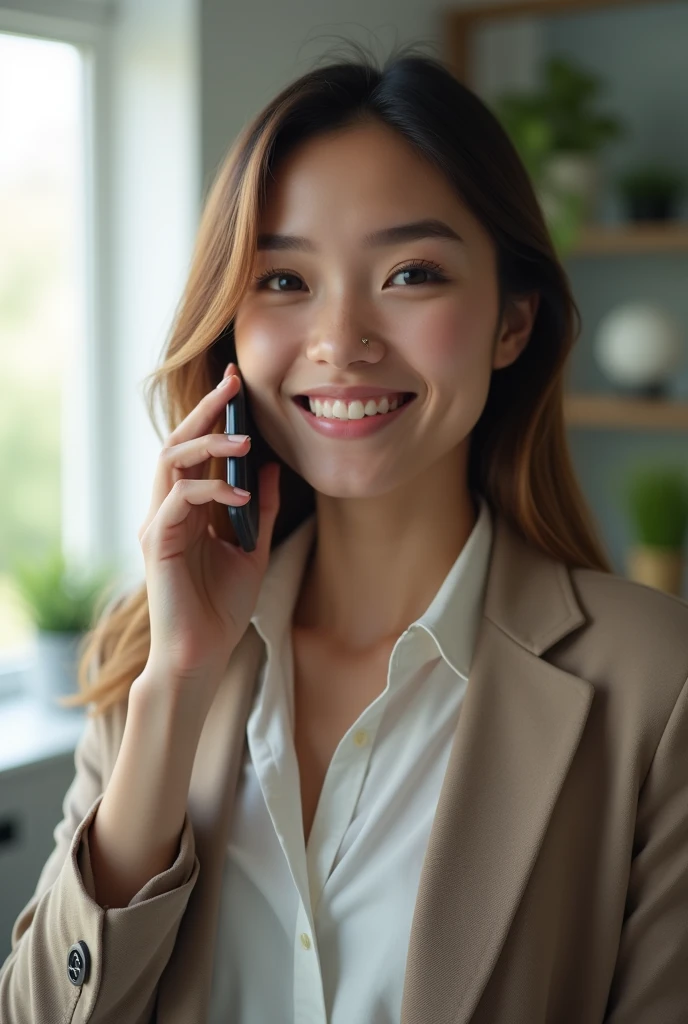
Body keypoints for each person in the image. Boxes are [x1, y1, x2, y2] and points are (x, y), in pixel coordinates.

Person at [2, 41, 688, 1024]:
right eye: (283, 281)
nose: (340, 340)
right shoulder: (151, 654)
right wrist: (175, 691)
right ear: (228, 322)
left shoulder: (657, 687)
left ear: (512, 322)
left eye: (411, 273)